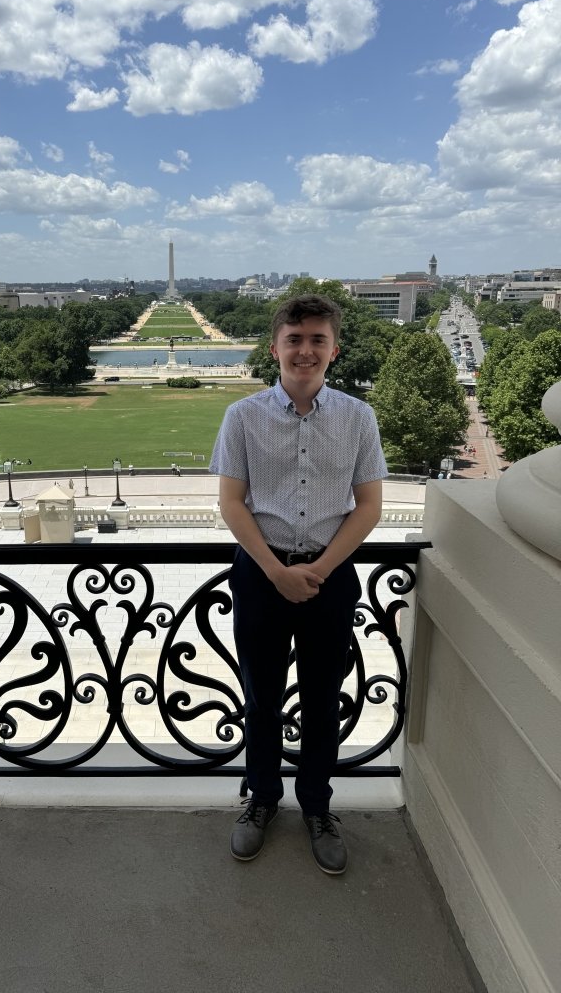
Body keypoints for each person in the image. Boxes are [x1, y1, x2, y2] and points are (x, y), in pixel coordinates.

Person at [210, 294, 386, 875]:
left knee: (320, 700)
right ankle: (260, 799)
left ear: (334, 349)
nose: (305, 350)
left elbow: (367, 509)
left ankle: (317, 806)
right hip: (262, 575)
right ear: (275, 348)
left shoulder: (358, 417)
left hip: (329, 577)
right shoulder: (242, 417)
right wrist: (277, 571)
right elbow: (232, 505)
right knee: (260, 697)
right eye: (294, 339)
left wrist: (320, 568)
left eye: (316, 339)